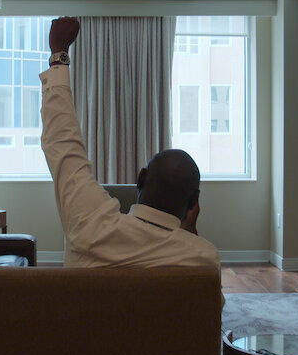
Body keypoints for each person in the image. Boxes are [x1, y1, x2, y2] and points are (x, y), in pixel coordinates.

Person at [40, 16, 220, 269]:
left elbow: (62, 142)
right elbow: (206, 302)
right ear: (194, 203)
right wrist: (190, 231)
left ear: (141, 178)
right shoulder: (203, 257)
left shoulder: (91, 226)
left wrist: (58, 54)